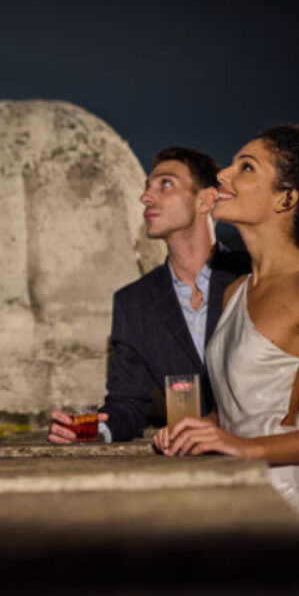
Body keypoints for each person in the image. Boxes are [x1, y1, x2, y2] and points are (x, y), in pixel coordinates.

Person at [155, 125, 299, 541]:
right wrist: (197, 430)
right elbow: (242, 408)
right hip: (244, 499)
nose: (223, 175)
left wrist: (247, 449)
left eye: (246, 167)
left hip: (296, 508)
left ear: (286, 198)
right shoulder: (235, 291)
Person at [48, 147, 249, 444]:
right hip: (196, 471)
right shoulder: (133, 302)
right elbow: (128, 403)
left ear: (206, 199)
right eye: (146, 187)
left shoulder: (252, 275)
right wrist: (91, 432)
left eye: (165, 184)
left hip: (270, 458)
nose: (146, 198)